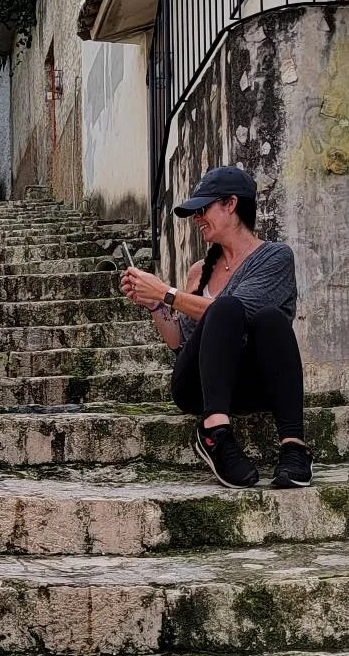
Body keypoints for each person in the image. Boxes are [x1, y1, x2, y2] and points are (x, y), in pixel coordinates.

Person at [120, 166, 313, 489]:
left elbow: (240, 310)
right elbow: (180, 342)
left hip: (255, 384)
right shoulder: (199, 271)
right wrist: (154, 304)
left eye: (203, 209)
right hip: (199, 387)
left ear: (231, 205)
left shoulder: (275, 258)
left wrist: (165, 294)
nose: (197, 219)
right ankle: (215, 432)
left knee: (268, 319)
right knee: (224, 308)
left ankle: (293, 446)